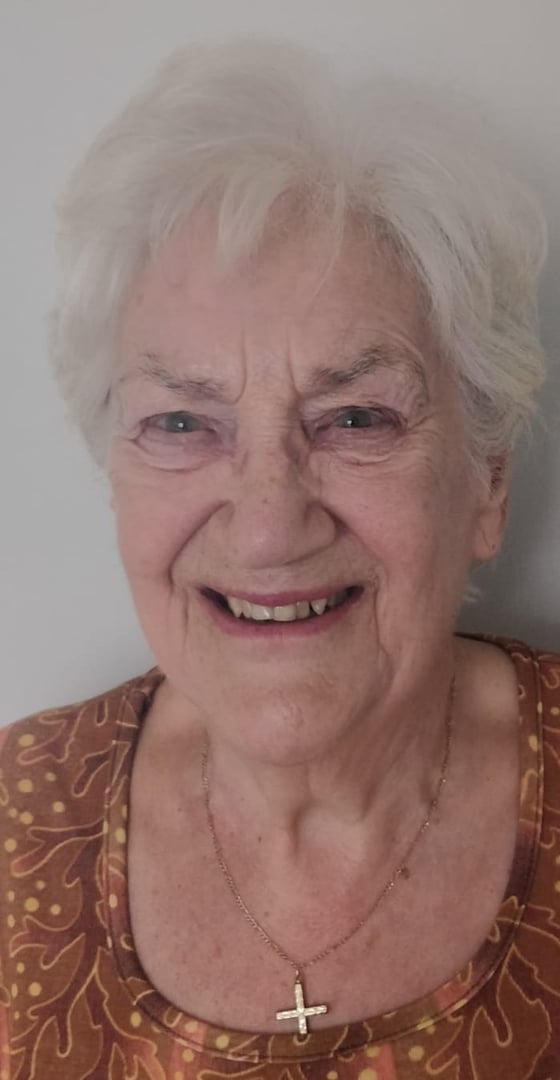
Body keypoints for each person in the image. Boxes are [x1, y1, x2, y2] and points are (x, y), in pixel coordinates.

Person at [1, 38, 558, 1080]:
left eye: (353, 416)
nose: (265, 526)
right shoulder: (14, 823)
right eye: (180, 423)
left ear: (485, 482)